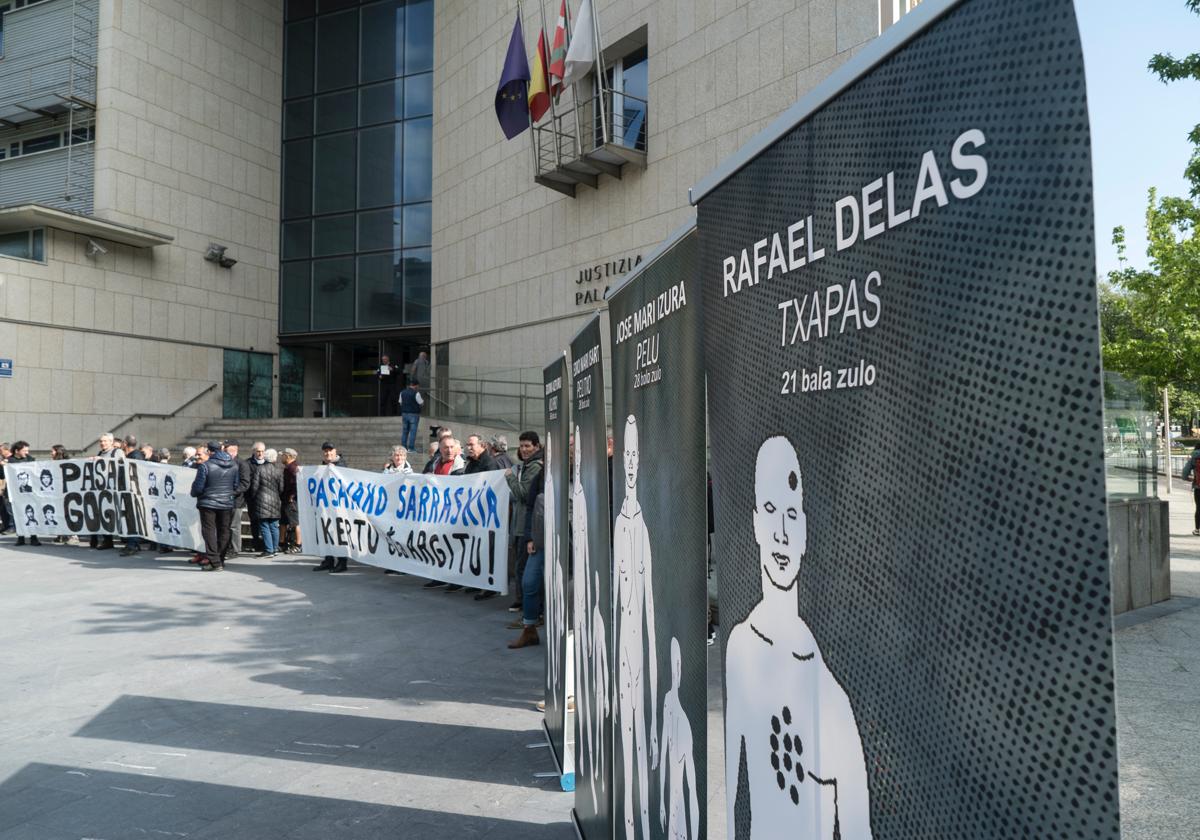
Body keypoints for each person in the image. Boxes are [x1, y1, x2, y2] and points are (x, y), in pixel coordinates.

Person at [724, 436, 872, 840]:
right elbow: (730, 791)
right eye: (772, 511)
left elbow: (859, 830)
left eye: (792, 514)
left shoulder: (833, 702)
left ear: (805, 531)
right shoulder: (742, 647)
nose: (783, 534)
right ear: (756, 523)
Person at [613, 414, 659, 840]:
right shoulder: (620, 525)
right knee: (626, 749)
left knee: (642, 743)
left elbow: (649, 619)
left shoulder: (641, 528)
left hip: (641, 658)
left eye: (633, 454)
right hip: (621, 656)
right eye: (625, 454)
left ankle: (643, 824)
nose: (629, 462)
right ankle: (627, 824)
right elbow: (615, 603)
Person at [658, 637, 700, 840]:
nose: (676, 671)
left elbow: (693, 792)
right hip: (670, 807)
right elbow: (663, 759)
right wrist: (660, 802)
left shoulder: (684, 725)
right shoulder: (667, 702)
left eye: (678, 664)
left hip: (680, 817)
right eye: (673, 663)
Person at [504, 431, 543, 610]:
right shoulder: (527, 465)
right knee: (521, 566)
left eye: (527, 446)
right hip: (520, 524)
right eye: (521, 446)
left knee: (523, 567)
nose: (524, 449)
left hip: (525, 526)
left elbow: (524, 494)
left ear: (536, 446)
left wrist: (510, 478)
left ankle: (525, 604)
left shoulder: (535, 467)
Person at [189, 441, 239, 571]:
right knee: (224, 531)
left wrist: (194, 492)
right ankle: (219, 560)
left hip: (208, 502)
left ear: (210, 451)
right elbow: (235, 485)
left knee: (209, 531)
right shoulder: (233, 465)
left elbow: (198, 488)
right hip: (226, 502)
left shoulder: (205, 466)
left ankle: (215, 561)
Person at [509, 490, 545, 649]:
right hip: (541, 541)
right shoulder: (542, 475)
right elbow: (531, 508)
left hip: (571, 540)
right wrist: (530, 537)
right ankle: (529, 630)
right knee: (529, 582)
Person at [313, 443, 349, 573]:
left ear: (335, 451)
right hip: (325, 505)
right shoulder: (323, 465)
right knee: (326, 532)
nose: (328, 453)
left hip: (338, 507)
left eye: (330, 451)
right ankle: (328, 560)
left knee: (339, 533)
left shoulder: (342, 465)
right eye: (325, 451)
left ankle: (342, 562)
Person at [89, 433, 123, 550]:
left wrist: (102, 460)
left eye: (105, 441)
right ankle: (107, 540)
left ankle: (130, 542)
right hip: (103, 489)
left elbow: (120, 465)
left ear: (111, 442)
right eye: (101, 441)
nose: (102, 443)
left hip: (115, 489)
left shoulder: (117, 452)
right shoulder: (100, 453)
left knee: (118, 514)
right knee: (104, 515)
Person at [250, 448, 284, 558]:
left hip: (261, 499)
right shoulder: (279, 470)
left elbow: (254, 487)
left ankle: (269, 550)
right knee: (274, 525)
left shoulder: (259, 469)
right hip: (275, 500)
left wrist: (254, 497)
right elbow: (281, 488)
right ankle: (275, 548)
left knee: (264, 526)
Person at [223, 440, 253, 560]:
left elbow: (245, 484)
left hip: (236, 500)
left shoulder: (242, 464)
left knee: (234, 526)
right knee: (226, 525)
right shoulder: (225, 462)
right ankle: (227, 547)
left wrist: (231, 492)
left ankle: (235, 549)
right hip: (225, 500)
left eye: (226, 450)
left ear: (234, 451)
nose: (224, 452)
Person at [8, 441, 40, 547]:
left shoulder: (30, 459)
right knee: (18, 514)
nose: (27, 452)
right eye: (24, 450)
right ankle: (20, 537)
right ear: (17, 451)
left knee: (32, 513)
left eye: (27, 450)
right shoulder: (9, 461)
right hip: (15, 493)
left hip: (29, 493)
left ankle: (33, 537)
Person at [280, 448, 302, 554]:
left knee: (295, 523)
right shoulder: (289, 467)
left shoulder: (293, 468)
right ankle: (282, 543)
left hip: (291, 500)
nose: (281, 457)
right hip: (286, 498)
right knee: (283, 521)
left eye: (283, 455)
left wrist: (292, 495)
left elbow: (297, 483)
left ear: (288, 456)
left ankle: (298, 545)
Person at [398, 379, 424, 452]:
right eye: (418, 385)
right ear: (416, 385)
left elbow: (400, 402)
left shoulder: (402, 392)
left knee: (405, 431)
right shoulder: (416, 393)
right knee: (413, 431)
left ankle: (403, 447)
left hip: (404, 414)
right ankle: (411, 448)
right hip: (414, 414)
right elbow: (421, 403)